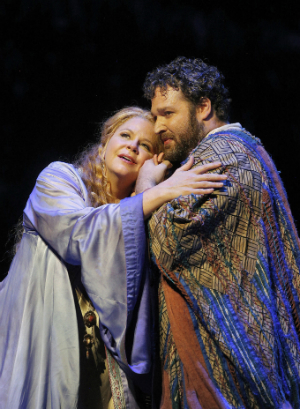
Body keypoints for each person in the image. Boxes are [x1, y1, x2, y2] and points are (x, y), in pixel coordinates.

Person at [0, 106, 226, 409]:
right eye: (125, 135)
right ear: (105, 143)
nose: (133, 146)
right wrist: (158, 193)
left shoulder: (147, 218)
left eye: (145, 146)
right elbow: (79, 233)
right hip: (46, 357)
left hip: (106, 380)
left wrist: (150, 188)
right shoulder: (58, 179)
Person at [138, 57, 300, 409]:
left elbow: (168, 241)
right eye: (154, 117)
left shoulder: (221, 152)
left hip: (231, 372)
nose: (158, 126)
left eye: (167, 113)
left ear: (204, 107)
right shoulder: (250, 149)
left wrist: (145, 189)